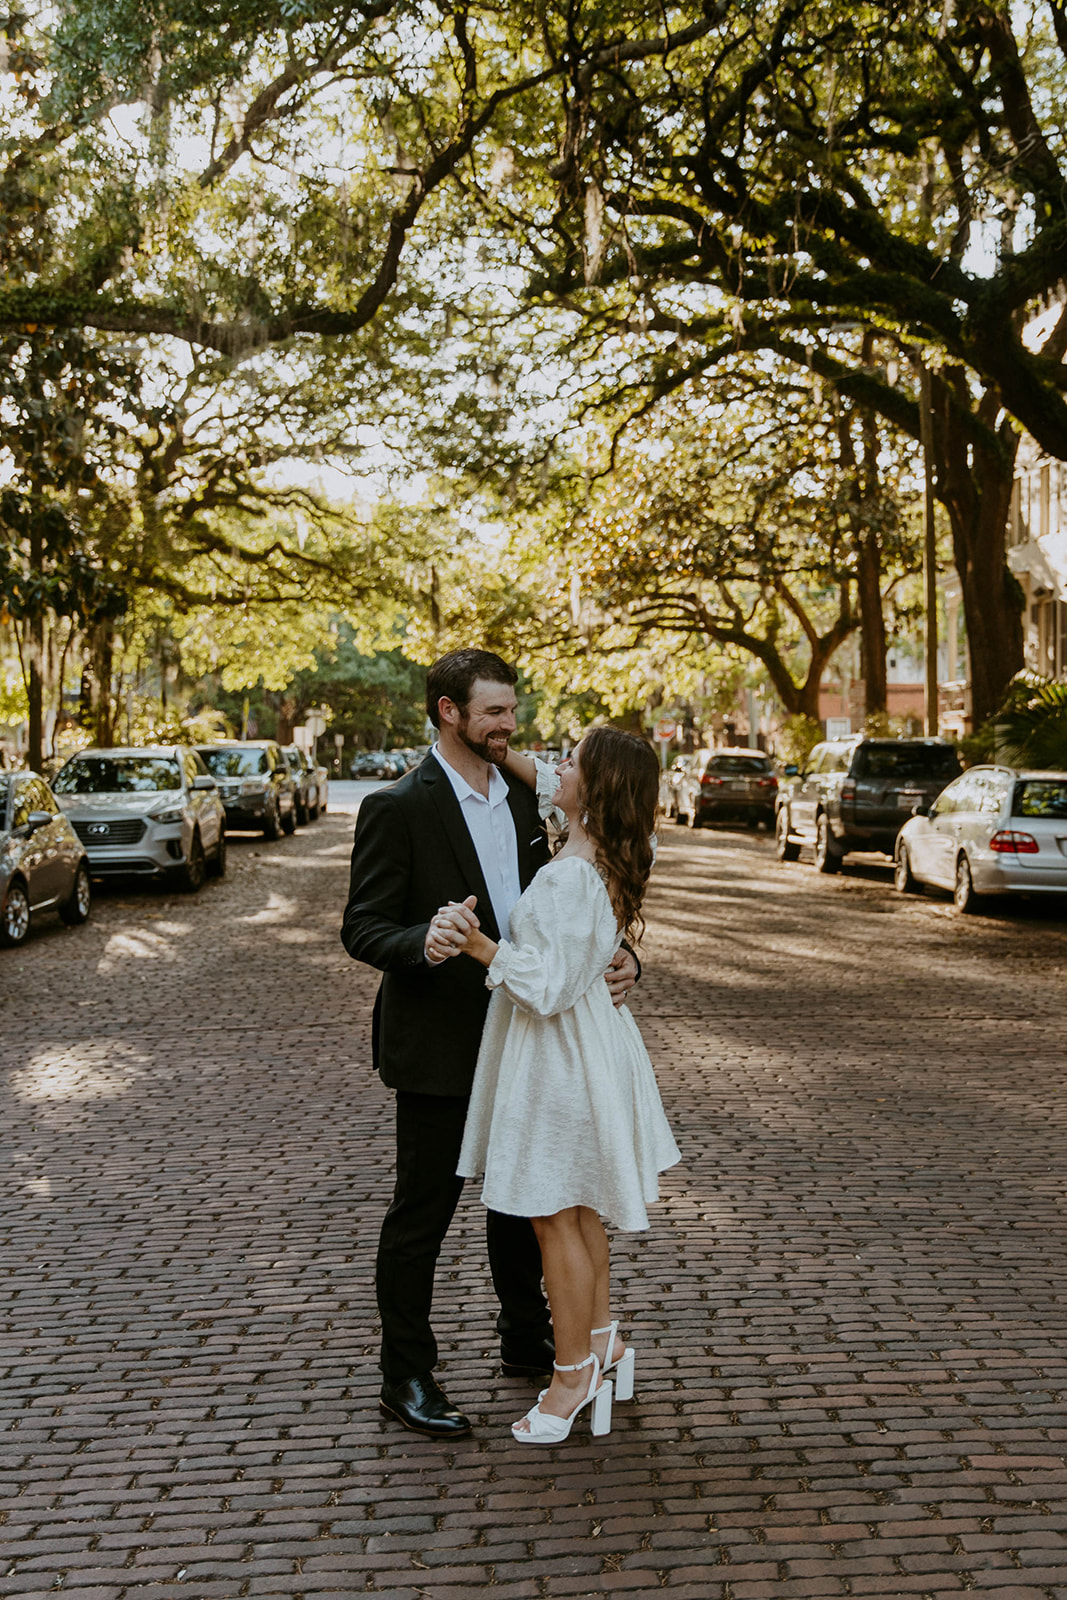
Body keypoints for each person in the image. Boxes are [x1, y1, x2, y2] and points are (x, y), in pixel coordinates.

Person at [339, 648, 640, 1440]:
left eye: (512, 710)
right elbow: (363, 927)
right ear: (449, 712)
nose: (511, 726)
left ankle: (526, 1339)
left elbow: (583, 893)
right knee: (422, 1215)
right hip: (441, 1041)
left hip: (535, 1036)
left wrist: (619, 955)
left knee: (528, 1202)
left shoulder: (526, 798)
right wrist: (426, 939)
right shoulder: (398, 807)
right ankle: (405, 1373)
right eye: (495, 713)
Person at [438, 727, 681, 1443]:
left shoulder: (575, 872)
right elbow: (541, 779)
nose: (556, 767)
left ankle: (572, 1374)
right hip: (581, 1046)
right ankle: (602, 1342)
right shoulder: (591, 849)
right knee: (576, 1212)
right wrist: (488, 739)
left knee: (553, 1216)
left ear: (597, 786)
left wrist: (478, 944)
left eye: (571, 761)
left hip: (560, 1054)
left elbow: (543, 988)